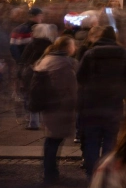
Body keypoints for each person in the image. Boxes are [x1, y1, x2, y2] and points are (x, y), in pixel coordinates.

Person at [77, 25, 126, 180]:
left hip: (92, 103)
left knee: (91, 140)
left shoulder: (90, 53)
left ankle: (91, 174)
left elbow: (80, 76)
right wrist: (122, 93)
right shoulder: (122, 53)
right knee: (110, 139)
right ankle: (106, 173)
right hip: (113, 103)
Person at [34, 35, 78, 185]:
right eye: (73, 45)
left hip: (49, 105)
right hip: (60, 106)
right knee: (53, 141)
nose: (75, 48)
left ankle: (50, 172)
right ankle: (50, 174)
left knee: (51, 140)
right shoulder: (65, 63)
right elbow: (72, 88)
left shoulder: (47, 59)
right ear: (66, 47)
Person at [18, 23, 58, 130]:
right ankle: (48, 122)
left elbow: (24, 59)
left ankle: (34, 122)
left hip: (31, 72)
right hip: (47, 72)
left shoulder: (31, 45)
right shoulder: (51, 45)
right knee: (47, 96)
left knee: (31, 96)